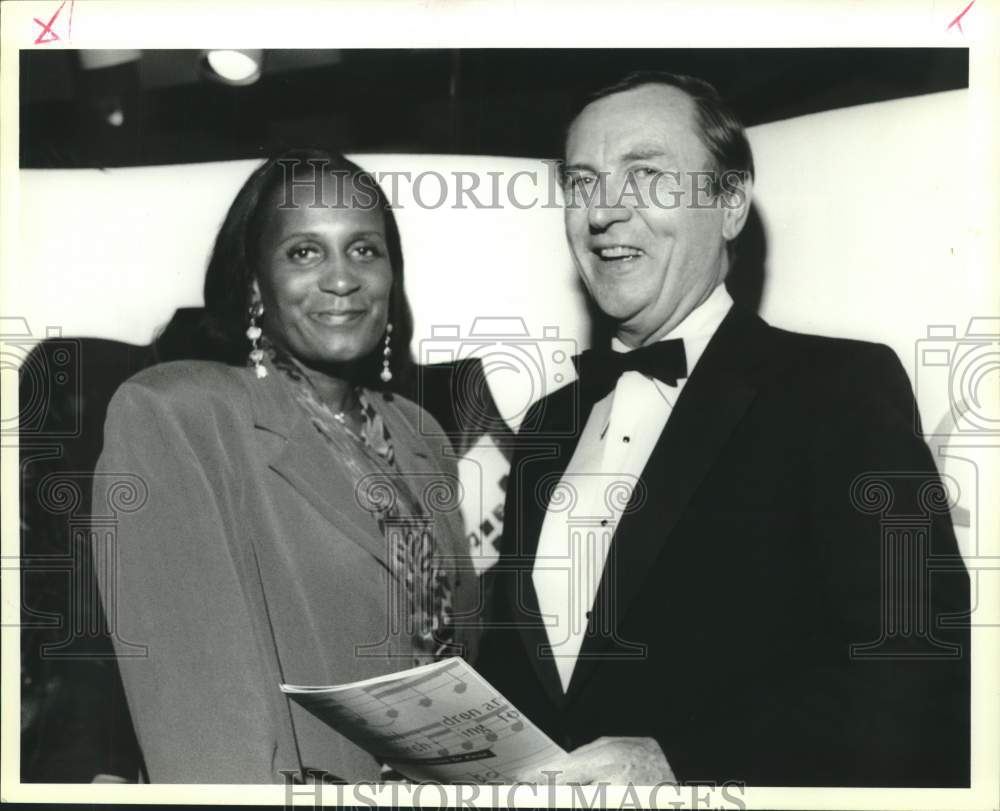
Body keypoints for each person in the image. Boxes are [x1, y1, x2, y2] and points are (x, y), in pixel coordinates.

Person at [476, 72, 970, 787]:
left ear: (730, 203)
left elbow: (918, 663)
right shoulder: (548, 422)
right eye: (582, 182)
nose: (603, 212)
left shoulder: (838, 390)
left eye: (645, 175)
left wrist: (682, 762)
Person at [92, 148, 478, 783]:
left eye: (364, 250)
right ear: (254, 283)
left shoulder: (421, 435)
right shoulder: (182, 416)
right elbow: (201, 719)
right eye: (304, 251)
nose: (341, 278)